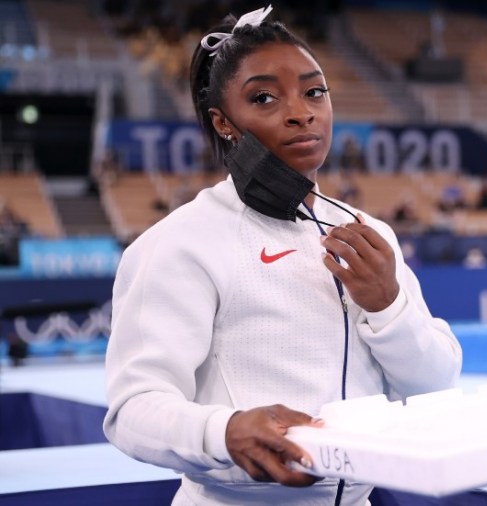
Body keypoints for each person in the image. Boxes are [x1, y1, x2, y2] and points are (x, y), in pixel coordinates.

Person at [102, 7, 462, 506]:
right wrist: (224, 431)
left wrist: (388, 306)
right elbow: (132, 412)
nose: (301, 111)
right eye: (265, 98)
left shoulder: (368, 233)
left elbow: (437, 384)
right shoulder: (180, 243)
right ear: (224, 123)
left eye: (314, 91)